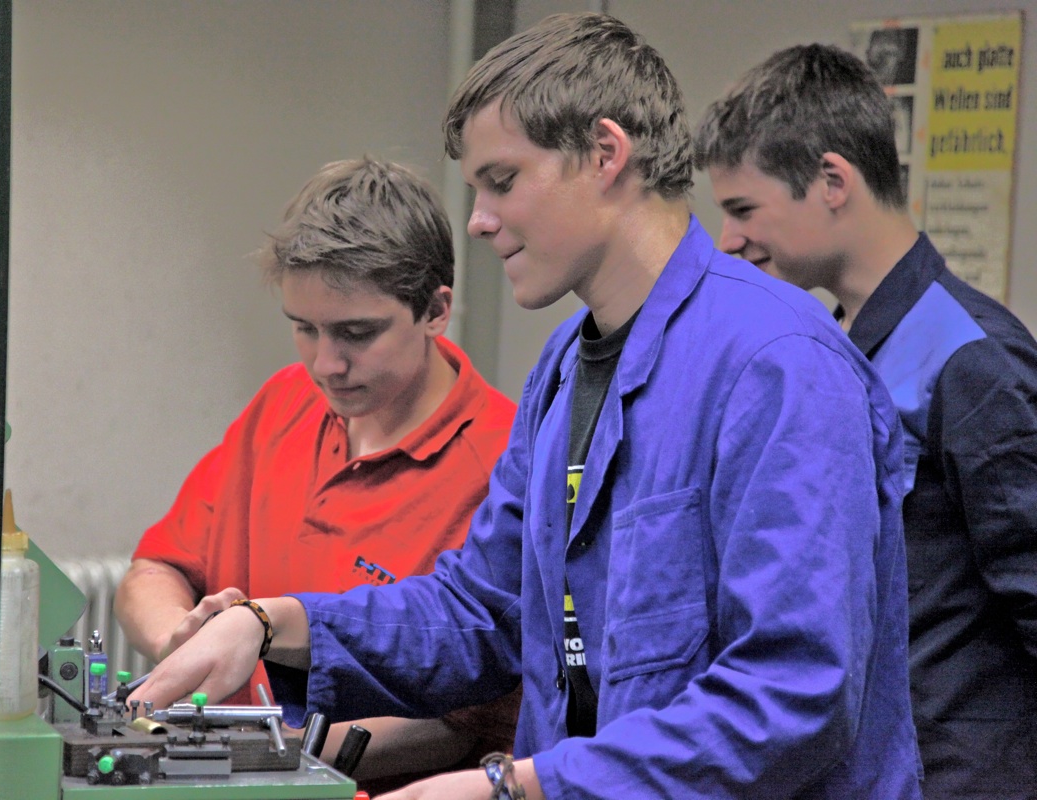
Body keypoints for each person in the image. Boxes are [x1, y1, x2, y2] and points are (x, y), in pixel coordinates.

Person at [130, 14, 921, 799]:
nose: (478, 221)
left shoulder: (777, 364)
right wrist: (270, 624)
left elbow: (792, 694)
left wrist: (514, 787)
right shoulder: (566, 367)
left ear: (606, 154)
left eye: (502, 181)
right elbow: (482, 610)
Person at [695, 43, 1037, 798]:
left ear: (832, 181)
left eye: (743, 209)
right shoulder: (830, 349)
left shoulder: (969, 356)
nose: (727, 240)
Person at [113, 156, 520, 791]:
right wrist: (183, 644)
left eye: (357, 333)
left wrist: (270, 753)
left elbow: (467, 720)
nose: (327, 364)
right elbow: (153, 572)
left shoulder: (504, 459)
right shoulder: (283, 403)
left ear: (436, 310)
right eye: (305, 329)